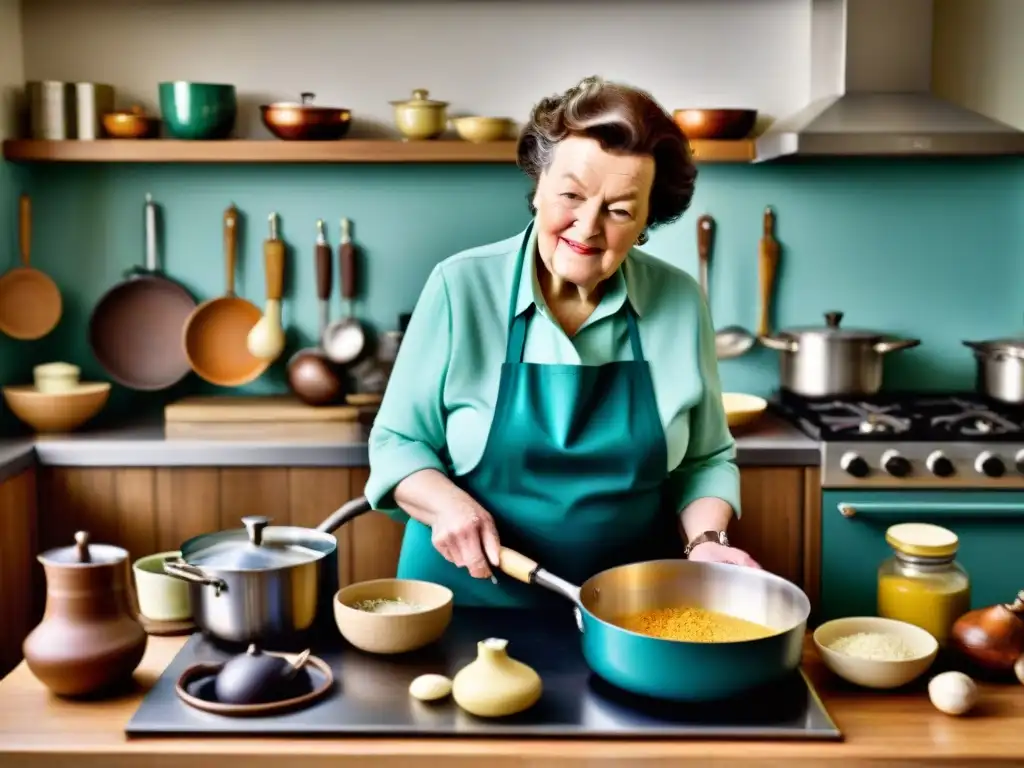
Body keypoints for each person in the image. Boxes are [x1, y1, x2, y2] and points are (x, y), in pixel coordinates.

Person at [365, 75, 759, 608]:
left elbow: (706, 459)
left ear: (647, 220)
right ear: (539, 184)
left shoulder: (680, 300)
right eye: (571, 194)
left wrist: (707, 541)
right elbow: (396, 442)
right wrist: (449, 506)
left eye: (620, 210)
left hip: (628, 606)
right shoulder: (461, 287)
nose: (588, 226)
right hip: (462, 599)